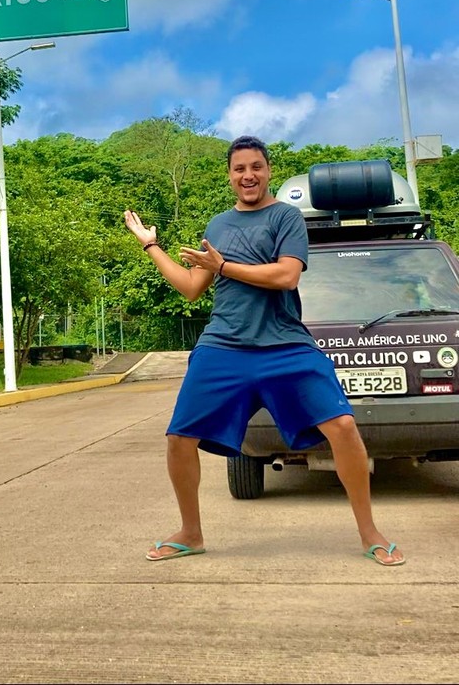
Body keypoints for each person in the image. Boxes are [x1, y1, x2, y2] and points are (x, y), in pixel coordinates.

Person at [123, 134, 405, 567]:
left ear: (268, 170)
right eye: (239, 169)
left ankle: (370, 532)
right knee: (179, 438)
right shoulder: (217, 226)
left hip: (285, 344)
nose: (248, 175)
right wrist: (151, 245)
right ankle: (190, 533)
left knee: (344, 427)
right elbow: (193, 288)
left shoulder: (286, 217)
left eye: (256, 166)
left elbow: (285, 277)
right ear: (230, 176)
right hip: (224, 345)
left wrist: (223, 266)